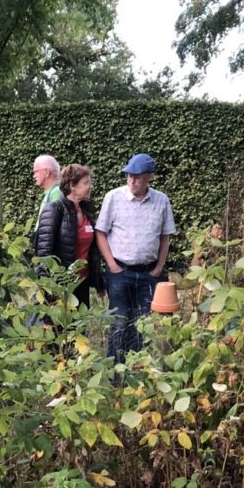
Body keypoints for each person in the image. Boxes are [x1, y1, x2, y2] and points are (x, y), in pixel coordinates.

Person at [95, 153, 176, 362]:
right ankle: (115, 375)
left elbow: (165, 236)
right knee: (119, 323)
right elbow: (100, 232)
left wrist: (159, 267)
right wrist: (112, 264)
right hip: (120, 271)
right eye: (129, 175)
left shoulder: (161, 200)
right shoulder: (113, 197)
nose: (131, 180)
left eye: (137, 177)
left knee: (143, 323)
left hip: (148, 272)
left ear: (149, 177)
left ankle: (137, 371)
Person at [32, 163, 103, 306]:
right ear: (72, 185)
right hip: (61, 285)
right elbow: (44, 254)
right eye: (86, 182)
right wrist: (49, 290)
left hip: (82, 282)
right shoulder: (54, 210)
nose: (90, 186)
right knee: (58, 327)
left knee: (80, 327)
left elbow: (92, 251)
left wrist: (99, 282)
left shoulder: (87, 211)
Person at [32, 154, 61, 219]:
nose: (34, 176)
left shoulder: (56, 192)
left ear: (47, 172)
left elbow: (55, 223)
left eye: (36, 172)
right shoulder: (51, 192)